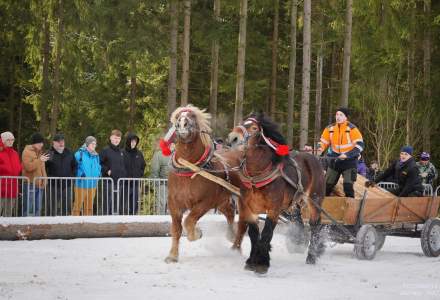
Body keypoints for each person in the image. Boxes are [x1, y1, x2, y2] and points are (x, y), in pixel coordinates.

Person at [318, 107, 365, 198]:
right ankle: (323, 207)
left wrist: (347, 155)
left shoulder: (352, 129)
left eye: (341, 115)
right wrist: (320, 148)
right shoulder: (330, 128)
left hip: (349, 162)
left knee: (348, 187)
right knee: (326, 187)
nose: (338, 117)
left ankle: (351, 209)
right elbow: (322, 142)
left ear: (346, 117)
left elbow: (360, 145)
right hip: (335, 162)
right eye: (337, 114)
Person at [45, 133, 77, 216]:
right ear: (54, 143)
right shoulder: (49, 153)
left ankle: (66, 223)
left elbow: (75, 166)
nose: (61, 143)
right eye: (59, 141)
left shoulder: (69, 153)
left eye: (62, 141)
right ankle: (50, 222)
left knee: (67, 207)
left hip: (67, 184)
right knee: (51, 206)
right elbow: (43, 168)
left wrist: (72, 176)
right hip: (53, 185)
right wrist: (49, 177)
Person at [99, 129, 126, 215]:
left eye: (118, 138)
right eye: (115, 138)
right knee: (107, 203)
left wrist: (124, 174)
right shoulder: (105, 150)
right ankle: (105, 220)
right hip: (108, 182)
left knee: (117, 204)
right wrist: (107, 171)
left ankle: (115, 221)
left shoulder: (121, 152)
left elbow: (124, 165)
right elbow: (99, 164)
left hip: (119, 182)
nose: (116, 140)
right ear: (111, 138)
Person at [72, 136, 101, 216]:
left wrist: (99, 174)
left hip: (93, 184)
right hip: (81, 184)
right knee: (78, 205)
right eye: (92, 144)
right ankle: (74, 222)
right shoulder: (79, 154)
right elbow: (74, 167)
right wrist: (80, 174)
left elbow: (98, 166)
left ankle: (88, 223)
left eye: (95, 144)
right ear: (87, 144)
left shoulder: (96, 155)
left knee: (89, 206)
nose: (94, 145)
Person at [22, 133, 48, 216]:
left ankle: (36, 227)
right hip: (30, 184)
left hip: (39, 184)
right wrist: (40, 160)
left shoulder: (40, 153)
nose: (42, 144)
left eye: (42, 142)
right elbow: (28, 167)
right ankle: (26, 225)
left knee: (38, 208)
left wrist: (45, 179)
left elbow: (42, 169)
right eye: (40, 142)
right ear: (34, 143)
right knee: (29, 208)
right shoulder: (27, 152)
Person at [122, 133, 146, 215]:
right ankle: (123, 219)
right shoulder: (122, 152)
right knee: (124, 204)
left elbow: (143, 165)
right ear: (128, 141)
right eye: (132, 141)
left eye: (135, 141)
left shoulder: (139, 153)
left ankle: (133, 218)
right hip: (124, 184)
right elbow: (119, 166)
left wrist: (140, 174)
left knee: (134, 204)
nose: (133, 143)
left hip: (135, 183)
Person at [0, 132, 22, 217]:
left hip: (12, 186)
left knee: (8, 212)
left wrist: (19, 168)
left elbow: (18, 167)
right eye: (8, 140)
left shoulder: (15, 153)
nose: (11, 141)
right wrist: (5, 169)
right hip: (1, 186)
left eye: (12, 139)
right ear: (3, 140)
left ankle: (6, 228)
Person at [151, 139, 171, 214]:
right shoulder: (158, 154)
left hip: (173, 185)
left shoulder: (173, 154)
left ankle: (170, 221)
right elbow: (154, 169)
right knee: (161, 203)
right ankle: (160, 219)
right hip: (162, 183)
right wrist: (157, 183)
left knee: (171, 205)